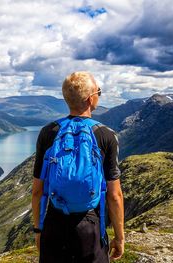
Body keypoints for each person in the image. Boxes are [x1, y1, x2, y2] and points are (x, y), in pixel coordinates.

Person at [32, 71, 124, 262]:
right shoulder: (106, 135)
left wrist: (39, 230)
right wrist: (119, 237)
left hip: (54, 223)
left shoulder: (48, 132)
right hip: (89, 227)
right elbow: (114, 195)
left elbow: (37, 191)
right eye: (98, 91)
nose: (99, 94)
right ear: (91, 99)